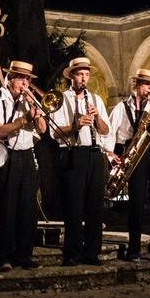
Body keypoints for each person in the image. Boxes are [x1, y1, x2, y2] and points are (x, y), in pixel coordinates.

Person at [108, 68, 150, 280]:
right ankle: (134, 249)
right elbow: (110, 131)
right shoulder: (121, 107)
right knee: (136, 202)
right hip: (132, 153)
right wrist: (111, 155)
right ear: (136, 86)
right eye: (147, 84)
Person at [0, 60, 47, 272]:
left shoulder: (30, 101)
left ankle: (24, 254)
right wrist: (24, 119)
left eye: (28, 79)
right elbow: (0, 131)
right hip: (4, 155)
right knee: (6, 207)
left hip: (26, 154)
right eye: (21, 78)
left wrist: (35, 111)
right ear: (10, 79)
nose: (25, 83)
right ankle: (3, 256)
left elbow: (44, 129)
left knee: (28, 207)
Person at [51, 57, 111, 267]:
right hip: (72, 154)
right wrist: (75, 125)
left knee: (95, 207)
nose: (83, 78)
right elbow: (55, 133)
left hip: (95, 155)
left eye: (86, 75)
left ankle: (92, 253)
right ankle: (72, 253)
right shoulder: (61, 99)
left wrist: (96, 119)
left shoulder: (95, 99)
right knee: (73, 206)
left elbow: (106, 130)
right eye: (80, 74)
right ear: (72, 76)